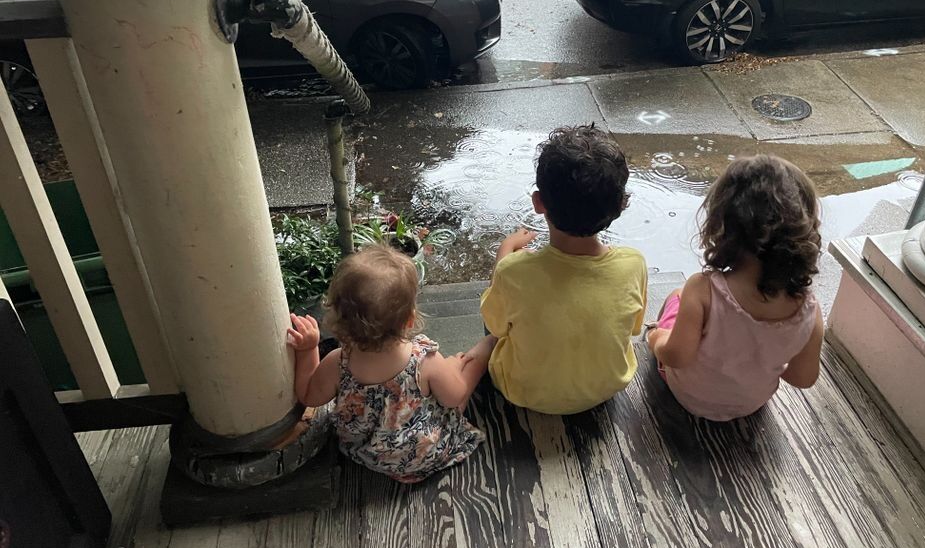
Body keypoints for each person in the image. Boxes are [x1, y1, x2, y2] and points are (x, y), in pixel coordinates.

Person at [462, 124, 648, 415]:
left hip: (524, 391)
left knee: (498, 318)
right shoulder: (633, 264)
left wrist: (504, 256)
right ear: (620, 206)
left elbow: (495, 323)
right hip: (607, 386)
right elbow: (634, 328)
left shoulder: (514, 272)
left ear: (538, 203)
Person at [286, 245, 486, 483]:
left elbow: (309, 396)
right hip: (422, 453)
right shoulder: (423, 358)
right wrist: (452, 366)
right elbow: (454, 398)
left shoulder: (339, 362)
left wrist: (308, 349)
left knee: (447, 375)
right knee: (469, 365)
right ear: (410, 319)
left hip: (366, 454)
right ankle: (491, 344)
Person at [648, 155, 824, 422]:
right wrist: (766, 354)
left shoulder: (703, 290)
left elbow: (676, 356)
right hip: (749, 404)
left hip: (688, 395)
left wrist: (656, 339)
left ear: (723, 227)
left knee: (677, 296)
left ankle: (655, 328)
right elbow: (802, 378)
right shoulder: (809, 312)